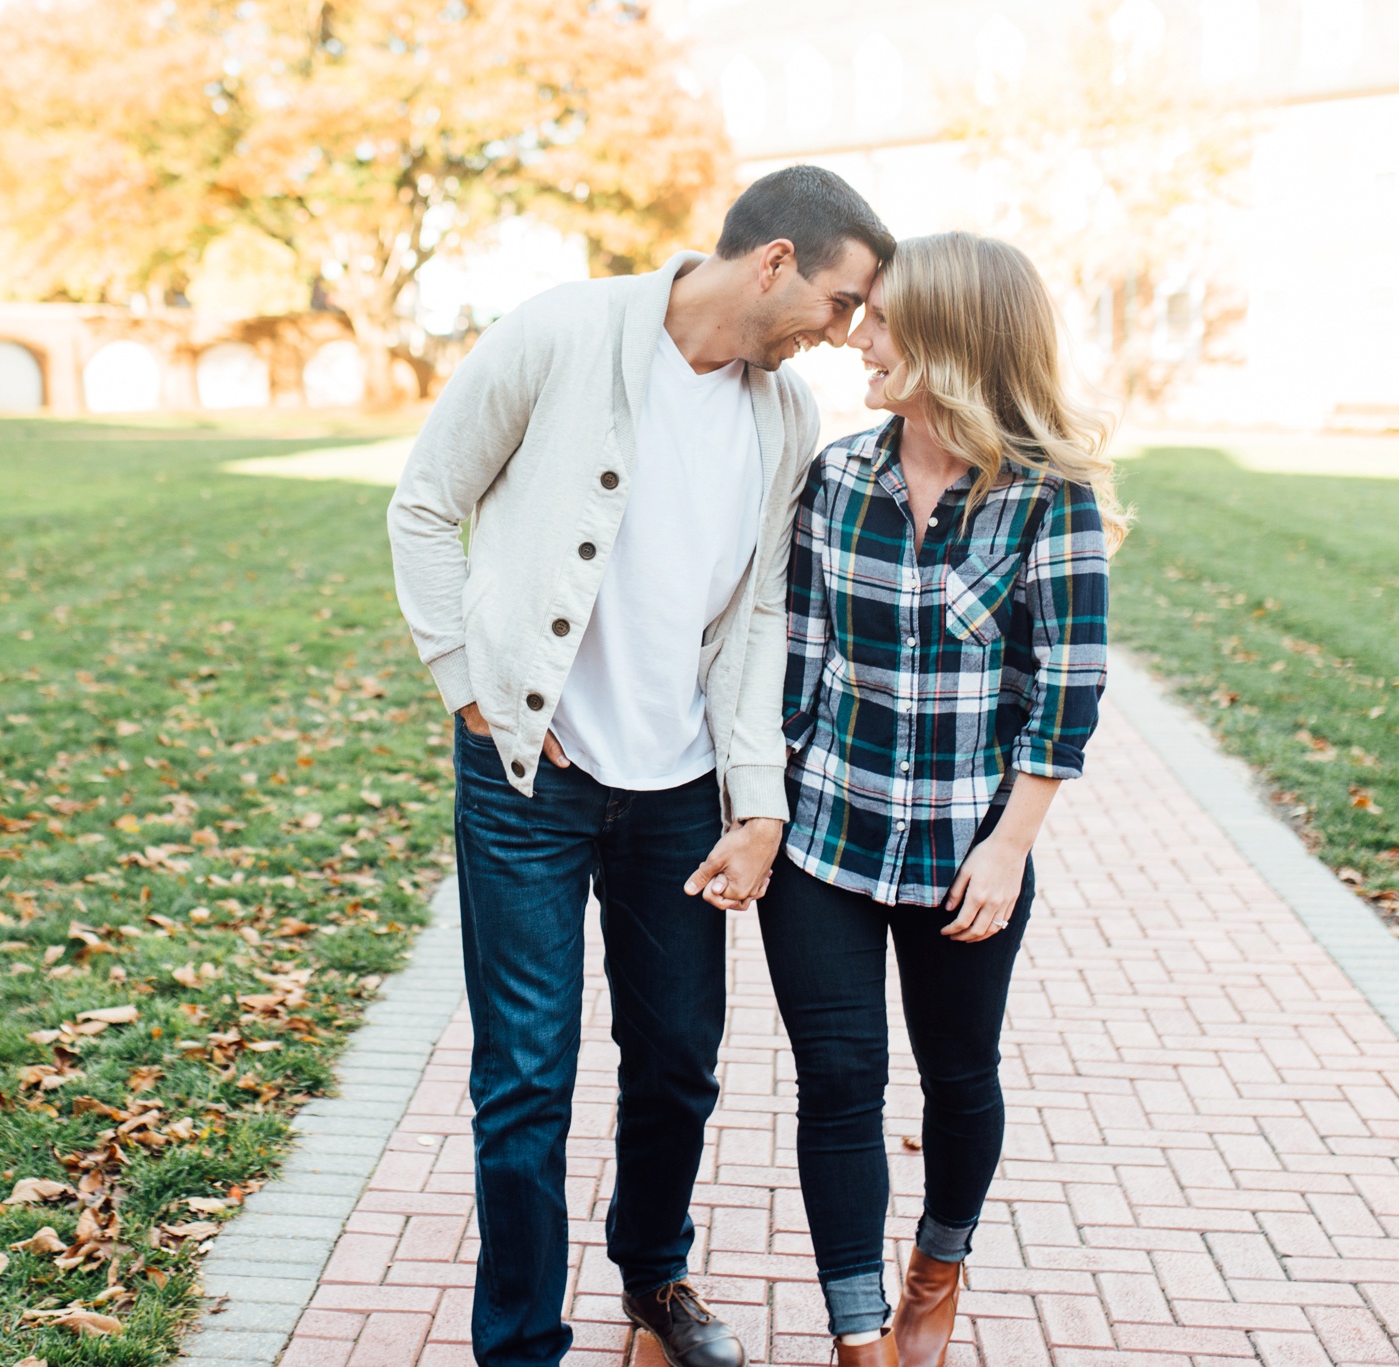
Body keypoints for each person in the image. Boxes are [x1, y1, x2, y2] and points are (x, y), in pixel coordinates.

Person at [387, 167, 893, 1367]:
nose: (846, 335)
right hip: (529, 780)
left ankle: (652, 1275)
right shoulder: (563, 331)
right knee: (524, 1074)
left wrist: (756, 798)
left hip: (675, 790)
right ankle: (519, 1342)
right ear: (774, 261)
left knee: (676, 1058)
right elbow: (423, 504)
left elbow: (763, 610)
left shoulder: (784, 418)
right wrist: (466, 684)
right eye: (840, 303)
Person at [763, 232, 1128, 1367]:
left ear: (953, 343)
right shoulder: (835, 477)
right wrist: (758, 811)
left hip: (967, 852)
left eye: (880, 323)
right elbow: (794, 664)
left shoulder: (1045, 502)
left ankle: (937, 1262)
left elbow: (1063, 694)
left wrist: (1010, 844)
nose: (855, 339)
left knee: (959, 1073)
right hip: (826, 837)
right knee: (836, 1083)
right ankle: (857, 1330)